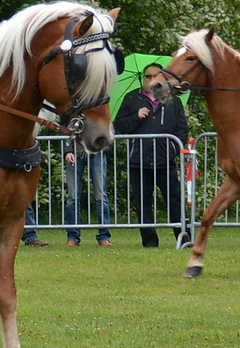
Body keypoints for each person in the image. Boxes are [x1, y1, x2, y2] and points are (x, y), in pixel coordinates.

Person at [113, 65, 189, 247]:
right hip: (139, 162)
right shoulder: (132, 98)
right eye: (148, 76)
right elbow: (119, 126)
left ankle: (184, 238)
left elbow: (182, 129)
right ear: (142, 79)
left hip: (165, 162)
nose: (151, 80)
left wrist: (171, 149)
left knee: (175, 201)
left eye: (156, 76)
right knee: (143, 203)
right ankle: (149, 241)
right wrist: (135, 117)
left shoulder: (173, 100)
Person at [62, 143, 112, 246]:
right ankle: (73, 237)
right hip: (75, 150)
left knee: (101, 196)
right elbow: (64, 129)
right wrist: (68, 151)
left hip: (97, 150)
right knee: (73, 197)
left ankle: (104, 236)